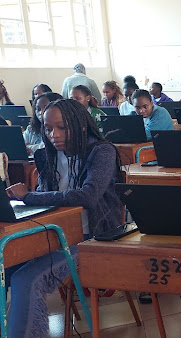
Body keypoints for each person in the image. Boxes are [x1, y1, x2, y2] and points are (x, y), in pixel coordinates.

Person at [4, 98, 122, 338]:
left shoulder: (102, 151)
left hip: (94, 237)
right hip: (52, 235)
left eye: (61, 128)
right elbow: (46, 198)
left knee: (27, 280)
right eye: (47, 129)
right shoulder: (47, 155)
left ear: (79, 126)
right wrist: (26, 200)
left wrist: (29, 198)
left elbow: (88, 196)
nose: (53, 135)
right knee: (7, 268)